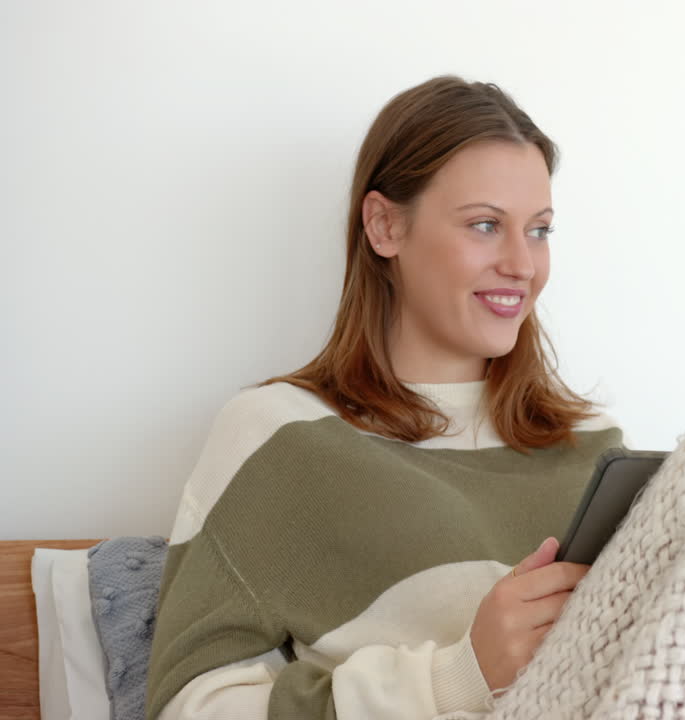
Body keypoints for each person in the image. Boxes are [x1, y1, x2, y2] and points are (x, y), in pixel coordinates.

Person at [144, 75, 627, 720]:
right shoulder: (282, 438)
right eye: (485, 225)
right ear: (384, 226)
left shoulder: (594, 444)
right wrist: (459, 675)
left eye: (538, 230)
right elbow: (187, 706)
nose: (522, 263)